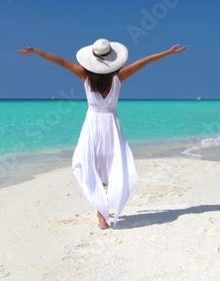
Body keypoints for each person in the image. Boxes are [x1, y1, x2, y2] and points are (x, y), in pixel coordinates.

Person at [18, 39, 187, 228]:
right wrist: (168, 52)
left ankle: (101, 214)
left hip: (93, 125)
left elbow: (61, 62)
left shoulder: (84, 75)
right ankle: (103, 211)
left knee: (94, 167)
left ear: (93, 58)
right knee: (110, 167)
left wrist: (37, 51)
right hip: (111, 126)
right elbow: (145, 61)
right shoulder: (119, 77)